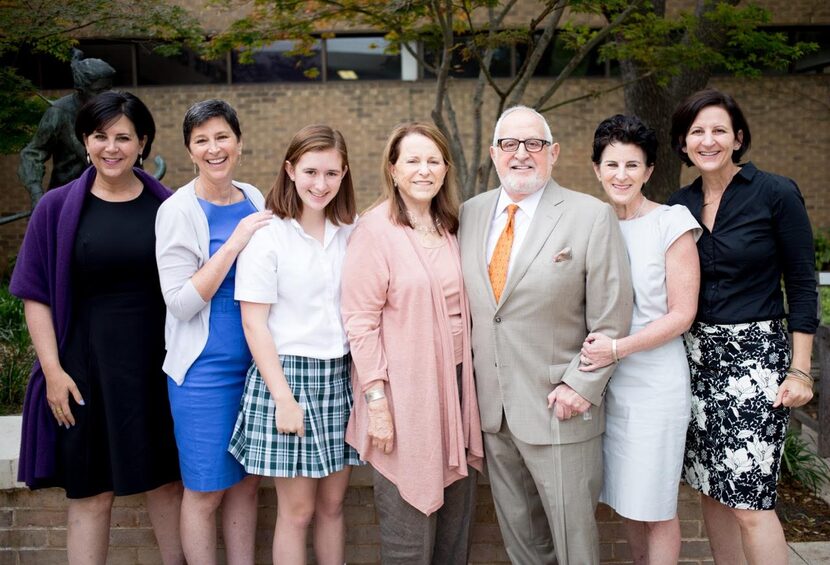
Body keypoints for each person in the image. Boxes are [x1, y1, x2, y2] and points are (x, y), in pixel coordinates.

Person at [10, 91, 183, 564]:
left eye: (123, 137)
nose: (112, 147)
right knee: (91, 493)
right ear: (85, 141)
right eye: (100, 136)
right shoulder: (56, 207)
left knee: (167, 485)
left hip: (156, 367)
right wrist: (53, 372)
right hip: (84, 369)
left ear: (142, 142)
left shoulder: (168, 207)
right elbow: (35, 294)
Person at [458, 105, 633, 565]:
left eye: (533, 143)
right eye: (510, 144)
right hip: (493, 413)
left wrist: (582, 386)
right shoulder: (470, 214)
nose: (522, 154)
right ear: (495, 154)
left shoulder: (590, 216)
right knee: (522, 545)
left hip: (560, 409)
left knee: (574, 545)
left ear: (552, 153)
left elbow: (612, 318)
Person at [667, 89, 817, 564]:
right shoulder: (679, 205)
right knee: (711, 490)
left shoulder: (775, 192)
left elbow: (802, 284)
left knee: (751, 502)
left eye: (718, 130)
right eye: (697, 132)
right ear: (683, 143)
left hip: (756, 361)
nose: (707, 140)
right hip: (694, 361)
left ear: (738, 138)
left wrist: (801, 370)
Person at [341, 122, 485, 563]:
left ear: (445, 169)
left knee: (455, 525)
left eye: (433, 161)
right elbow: (360, 324)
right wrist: (378, 405)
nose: (424, 170)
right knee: (409, 535)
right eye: (413, 161)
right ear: (394, 169)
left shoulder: (451, 226)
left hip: (459, 389)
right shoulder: (374, 230)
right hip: (404, 394)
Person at [228, 124, 360, 565]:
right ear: (290, 169)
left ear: (344, 176)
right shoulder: (269, 235)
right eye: (310, 171)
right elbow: (254, 324)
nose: (320, 184)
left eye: (331, 173)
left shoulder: (351, 231)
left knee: (332, 507)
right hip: (288, 378)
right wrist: (284, 398)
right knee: (298, 511)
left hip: (340, 377)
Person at [578, 114, 701, 564]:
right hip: (606, 388)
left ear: (649, 171)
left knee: (656, 507)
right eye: (612, 165)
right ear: (597, 169)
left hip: (655, 385)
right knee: (627, 503)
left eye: (633, 165)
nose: (621, 175)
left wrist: (618, 349)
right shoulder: (591, 224)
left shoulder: (671, 222)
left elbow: (682, 314)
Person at [155, 99, 270, 565]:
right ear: (189, 150)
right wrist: (236, 242)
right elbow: (180, 302)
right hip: (203, 373)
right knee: (205, 490)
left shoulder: (255, 197)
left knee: (246, 485)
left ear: (239, 143)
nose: (214, 148)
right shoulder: (177, 211)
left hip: (256, 365)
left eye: (222, 137)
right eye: (201, 140)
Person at [18, 50, 115, 207]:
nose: (106, 95)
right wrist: (37, 194)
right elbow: (32, 154)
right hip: (65, 199)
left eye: (108, 88)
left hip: (108, 198)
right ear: (81, 90)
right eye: (98, 91)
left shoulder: (116, 109)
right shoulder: (59, 112)